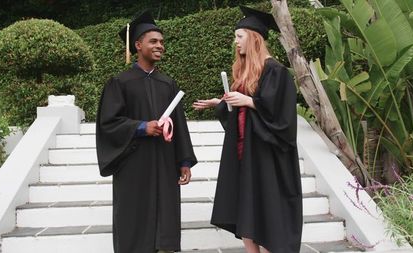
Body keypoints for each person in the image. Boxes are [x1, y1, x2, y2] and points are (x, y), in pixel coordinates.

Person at [193, 6, 303, 253]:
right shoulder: (245, 74)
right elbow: (242, 113)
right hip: (245, 155)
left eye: (239, 36)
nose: (236, 42)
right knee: (246, 213)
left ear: (254, 38)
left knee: (266, 215)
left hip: (268, 158)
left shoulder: (276, 72)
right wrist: (222, 103)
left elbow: (283, 118)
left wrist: (250, 101)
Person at [96, 10, 197, 253]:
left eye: (162, 42)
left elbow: (179, 124)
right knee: (134, 220)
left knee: (165, 222)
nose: (160, 46)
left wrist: (183, 161)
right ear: (138, 45)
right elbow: (108, 123)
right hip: (133, 164)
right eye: (153, 41)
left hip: (164, 161)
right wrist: (142, 127)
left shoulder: (168, 83)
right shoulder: (120, 83)